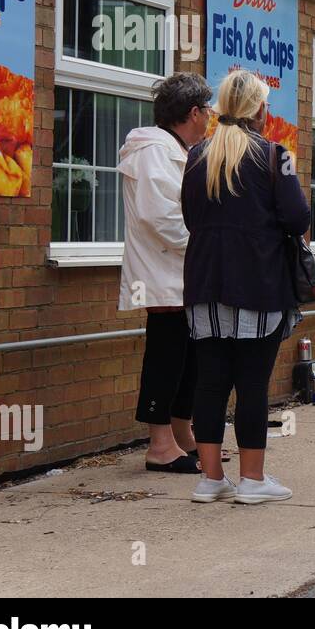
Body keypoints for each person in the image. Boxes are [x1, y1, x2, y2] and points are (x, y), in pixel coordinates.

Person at [183, 70, 311, 504]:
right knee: (252, 383)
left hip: (203, 282)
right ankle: (252, 480)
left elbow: (190, 218)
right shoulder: (276, 156)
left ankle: (211, 478)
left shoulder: (197, 155)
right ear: (259, 109)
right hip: (258, 283)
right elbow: (297, 220)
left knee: (210, 383)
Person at [119, 72, 213, 475]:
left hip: (180, 273)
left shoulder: (174, 149)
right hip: (161, 275)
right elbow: (161, 216)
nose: (210, 117)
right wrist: (206, 246)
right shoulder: (154, 150)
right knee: (166, 355)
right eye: (207, 110)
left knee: (187, 356)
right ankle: (160, 445)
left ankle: (182, 433)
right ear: (193, 112)